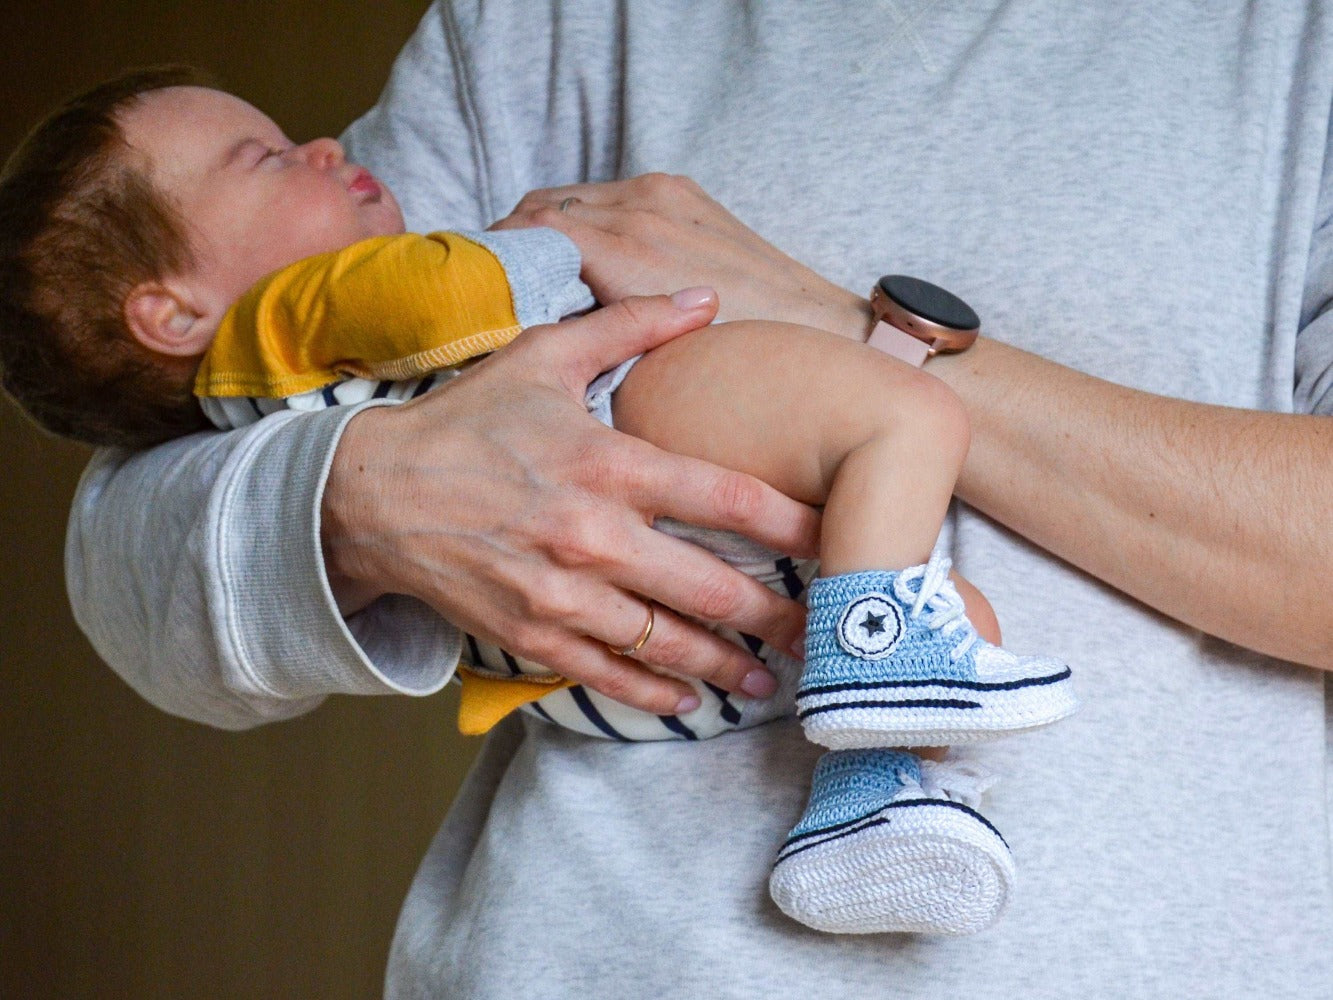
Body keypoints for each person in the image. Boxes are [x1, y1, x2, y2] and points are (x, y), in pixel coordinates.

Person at [54, 2, 1333, 997]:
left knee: (962, 616)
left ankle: (880, 767)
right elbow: (142, 513)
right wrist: (367, 491)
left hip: (1172, 959)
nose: (314, 149)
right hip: (606, 958)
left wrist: (835, 328)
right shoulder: (541, 25)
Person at [0, 72, 1076, 934]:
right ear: (171, 310)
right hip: (618, 416)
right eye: (271, 156)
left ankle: (864, 797)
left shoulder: (252, 394)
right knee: (903, 417)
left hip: (604, 686)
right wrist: (568, 241)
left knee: (942, 626)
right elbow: (449, 287)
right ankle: (875, 687)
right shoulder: (305, 303)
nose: (327, 147)